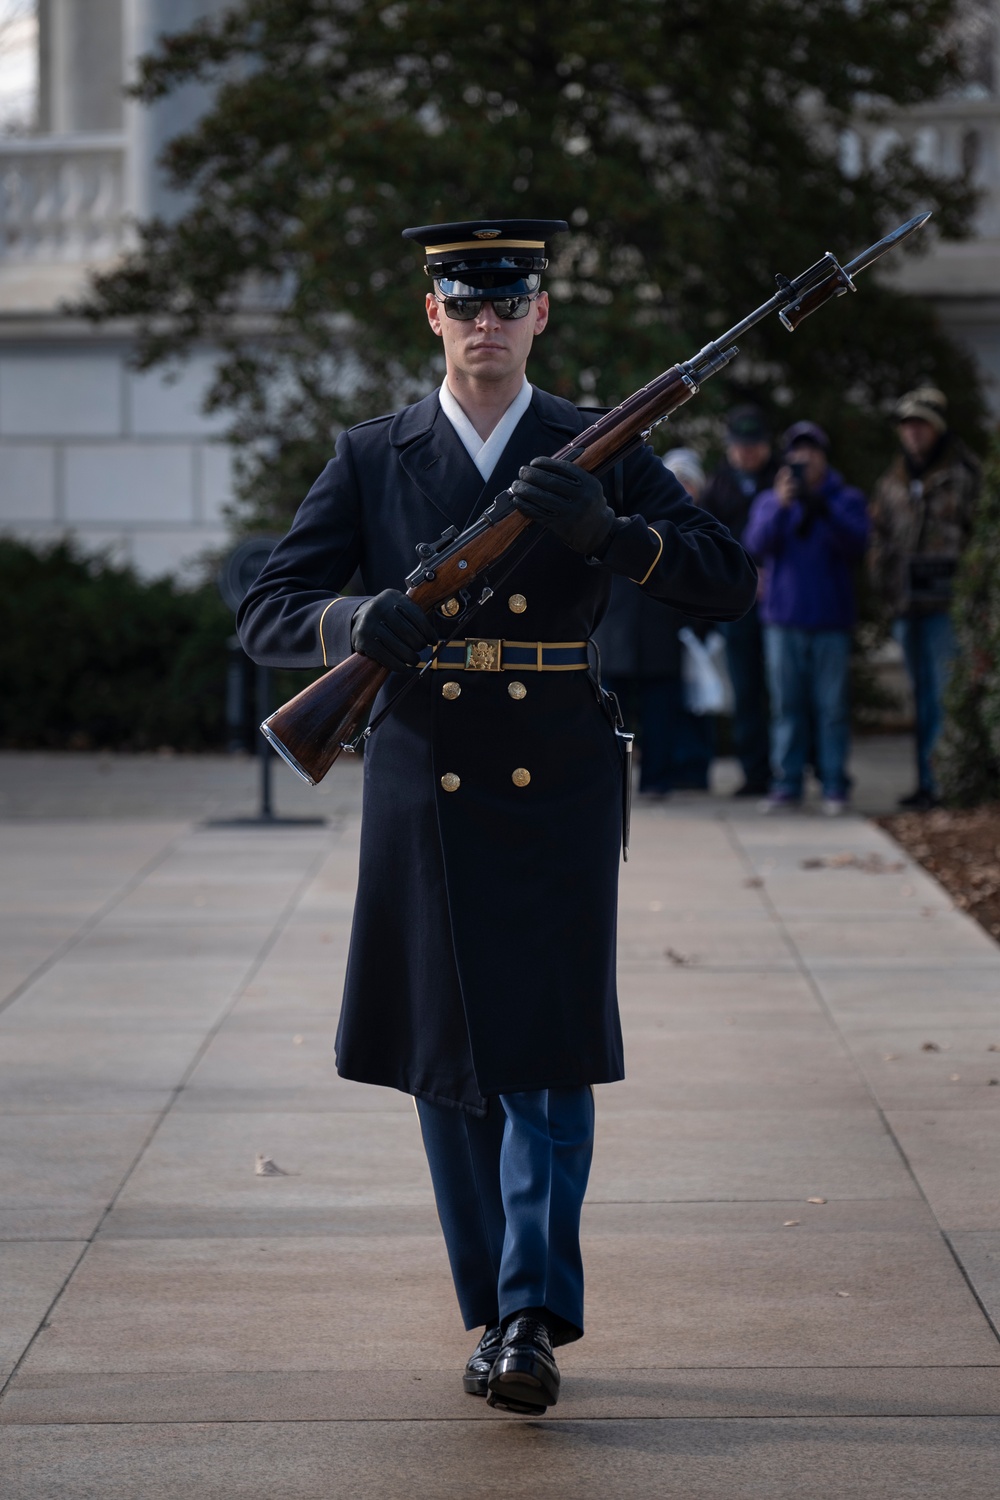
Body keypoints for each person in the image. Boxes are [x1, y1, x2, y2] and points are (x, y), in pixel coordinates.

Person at [238, 218, 756, 1415]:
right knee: (447, 1064)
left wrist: (616, 538)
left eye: (506, 302)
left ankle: (528, 1314)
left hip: (553, 779)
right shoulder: (375, 454)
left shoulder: (596, 447)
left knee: (548, 1054)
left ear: (537, 317)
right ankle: (493, 1312)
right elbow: (272, 605)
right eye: (462, 303)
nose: (485, 322)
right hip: (423, 777)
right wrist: (352, 625)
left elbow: (727, 577)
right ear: (433, 316)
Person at [743, 421, 869, 815]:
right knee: (787, 708)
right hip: (783, 620)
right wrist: (783, 505)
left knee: (831, 709)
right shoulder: (770, 499)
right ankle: (788, 783)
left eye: (812, 449)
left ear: (824, 455)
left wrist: (822, 507)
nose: (804, 457)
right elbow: (755, 544)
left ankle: (834, 784)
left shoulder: (845, 498)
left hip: (830, 621)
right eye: (797, 450)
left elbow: (858, 543)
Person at [868, 387, 981, 810]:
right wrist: (882, 580)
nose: (913, 433)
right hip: (906, 604)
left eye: (920, 424)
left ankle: (943, 785)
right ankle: (924, 783)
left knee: (944, 697)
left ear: (936, 427)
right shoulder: (893, 481)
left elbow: (981, 536)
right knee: (920, 698)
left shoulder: (965, 474)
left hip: (947, 606)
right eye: (907, 425)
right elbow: (878, 535)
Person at [595, 448, 712, 798]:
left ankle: (657, 781)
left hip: (662, 638)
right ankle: (612, 785)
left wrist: (696, 631)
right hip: (616, 636)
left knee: (660, 720)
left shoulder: (690, 524)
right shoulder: (621, 511)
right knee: (613, 722)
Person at [701, 405, 777, 796]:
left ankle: (791, 770)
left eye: (754, 445)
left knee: (784, 690)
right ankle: (756, 773)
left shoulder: (781, 478)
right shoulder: (718, 485)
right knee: (746, 690)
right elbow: (708, 541)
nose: (747, 453)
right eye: (740, 445)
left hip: (782, 600)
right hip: (739, 602)